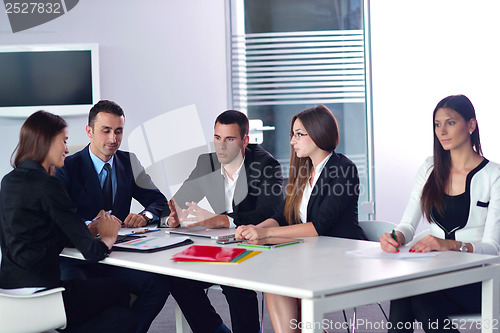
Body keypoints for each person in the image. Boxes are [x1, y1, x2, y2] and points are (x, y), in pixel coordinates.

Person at [0, 110, 137, 333]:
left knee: (112, 310)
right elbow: (94, 253)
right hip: (43, 297)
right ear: (45, 141)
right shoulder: (48, 185)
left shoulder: (9, 181)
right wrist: (109, 235)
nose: (66, 149)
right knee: (121, 297)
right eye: (63, 141)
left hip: (8, 296)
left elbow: (36, 235)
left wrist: (88, 229)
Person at [236, 104, 367, 333]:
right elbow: (282, 216)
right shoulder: (303, 170)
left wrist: (265, 234)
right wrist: (254, 228)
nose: (292, 141)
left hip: (340, 257)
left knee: (280, 275)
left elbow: (320, 226)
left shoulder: (344, 169)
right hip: (309, 255)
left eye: (299, 134)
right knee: (273, 278)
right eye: (292, 134)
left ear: (318, 134)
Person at [380, 94, 500, 333]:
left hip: (481, 280)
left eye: (450, 122)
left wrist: (449, 245)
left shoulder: (493, 176)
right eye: (437, 124)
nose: (442, 131)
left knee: (418, 294)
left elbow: (494, 248)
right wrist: (397, 236)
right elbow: (407, 225)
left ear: (471, 125)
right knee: (404, 290)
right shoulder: (429, 169)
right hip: (437, 275)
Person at [56, 100, 170, 333]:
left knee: (158, 285)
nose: (113, 139)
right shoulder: (67, 166)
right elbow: (58, 217)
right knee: (76, 293)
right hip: (78, 257)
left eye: (118, 131)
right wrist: (93, 226)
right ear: (89, 131)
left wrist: (145, 215)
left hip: (118, 255)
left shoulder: (129, 162)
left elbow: (157, 201)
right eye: (105, 130)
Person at [165, 110, 284, 333]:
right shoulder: (206, 163)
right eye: (217, 138)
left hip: (257, 247)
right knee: (179, 279)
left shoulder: (266, 165)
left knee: (235, 280)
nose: (221, 146)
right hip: (223, 248)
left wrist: (223, 220)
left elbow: (271, 211)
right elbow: (178, 203)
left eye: (229, 139)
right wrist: (173, 218)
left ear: (244, 141)